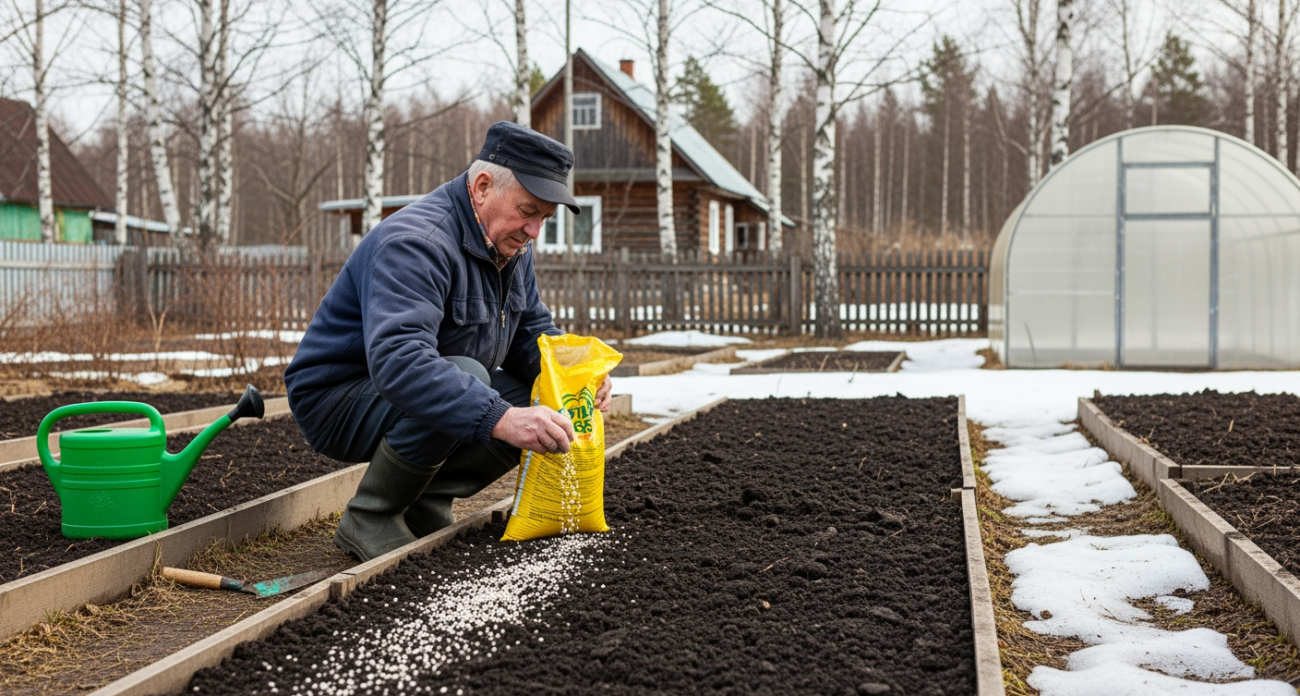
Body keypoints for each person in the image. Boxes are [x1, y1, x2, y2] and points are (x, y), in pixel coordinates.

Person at [284, 121, 613, 561]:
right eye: (527, 210)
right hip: (339, 398)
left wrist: (574, 375)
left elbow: (531, 333)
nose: (534, 230)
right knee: (474, 380)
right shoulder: (417, 243)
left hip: (406, 393)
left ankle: (424, 501)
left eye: (544, 218)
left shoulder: (510, 248)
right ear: (481, 186)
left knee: (538, 397)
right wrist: (501, 418)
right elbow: (401, 361)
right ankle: (372, 515)